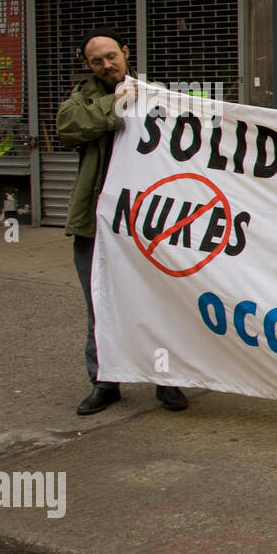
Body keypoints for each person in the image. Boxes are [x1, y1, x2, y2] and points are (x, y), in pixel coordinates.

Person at [56, 28, 188, 416]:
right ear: (88, 65)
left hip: (147, 222)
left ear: (125, 52)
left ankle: (167, 381)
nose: (106, 64)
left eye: (111, 56)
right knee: (100, 302)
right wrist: (115, 106)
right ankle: (104, 381)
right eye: (96, 61)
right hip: (96, 222)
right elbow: (70, 130)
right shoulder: (81, 100)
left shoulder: (158, 96)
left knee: (158, 300)